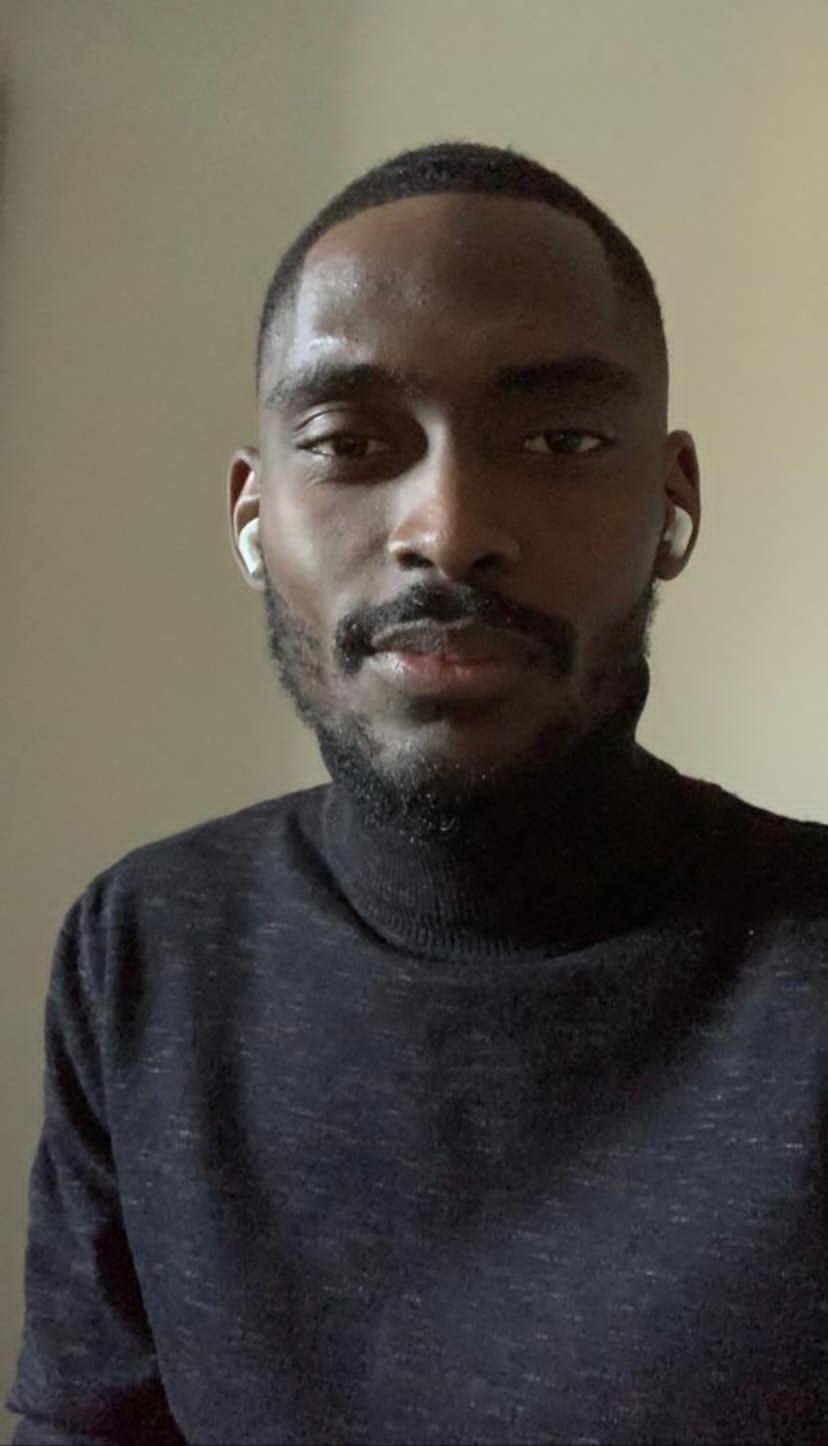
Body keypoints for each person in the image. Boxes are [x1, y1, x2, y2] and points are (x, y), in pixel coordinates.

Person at [7, 141, 827, 1445]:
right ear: (251, 516)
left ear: (671, 501)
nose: (447, 531)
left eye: (559, 439)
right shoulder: (145, 948)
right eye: (348, 442)